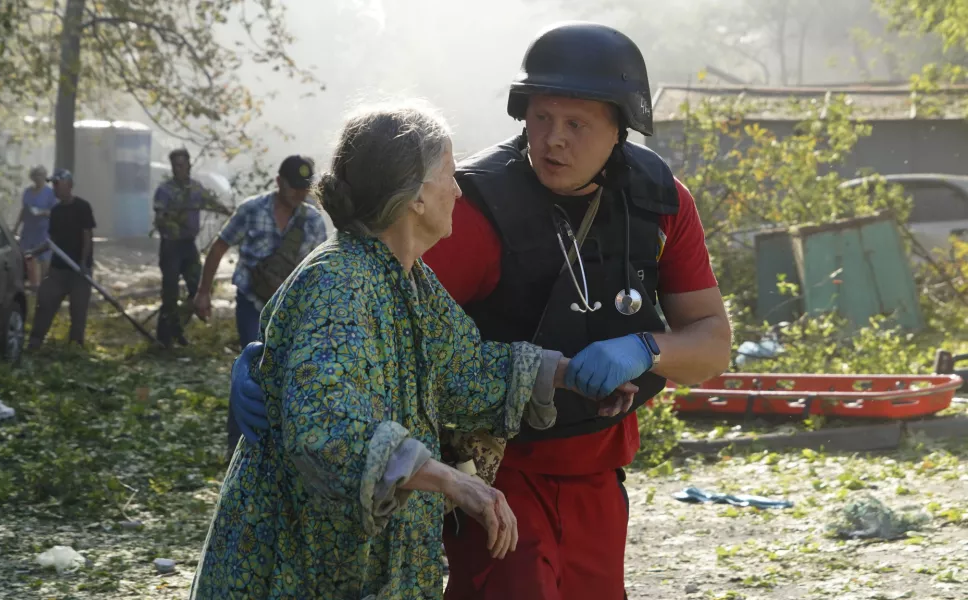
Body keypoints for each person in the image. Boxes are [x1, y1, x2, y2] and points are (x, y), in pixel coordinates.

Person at [229, 22, 733, 599]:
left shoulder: (661, 202)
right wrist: (273, 364)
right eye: (542, 118)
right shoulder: (470, 211)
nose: (554, 139)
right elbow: (361, 318)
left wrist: (638, 350)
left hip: (598, 475)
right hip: (496, 475)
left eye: (576, 124)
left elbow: (464, 361)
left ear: (621, 128)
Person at [189, 102, 630, 600]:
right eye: (449, 173)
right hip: (295, 560)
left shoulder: (407, 278)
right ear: (417, 195)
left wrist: (571, 374)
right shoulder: (341, 283)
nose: (460, 190)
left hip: (352, 559)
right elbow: (327, 429)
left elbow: (465, 370)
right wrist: (450, 481)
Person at [193, 154, 327, 460]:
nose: (299, 193)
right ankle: (237, 444)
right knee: (251, 367)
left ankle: (281, 443)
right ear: (278, 182)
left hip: (290, 310)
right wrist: (203, 292)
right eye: (293, 187)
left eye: (304, 188)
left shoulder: (313, 221)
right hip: (252, 304)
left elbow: (320, 269)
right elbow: (219, 246)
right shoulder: (252, 209)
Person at [152, 148, 231, 348]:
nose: (179, 169)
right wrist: (174, 220)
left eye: (182, 165)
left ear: (188, 166)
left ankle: (178, 327)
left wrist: (230, 212)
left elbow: (212, 203)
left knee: (197, 288)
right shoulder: (165, 190)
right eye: (175, 166)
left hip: (188, 246)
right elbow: (160, 219)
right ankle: (164, 338)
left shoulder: (196, 189)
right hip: (171, 246)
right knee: (169, 292)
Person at [26, 169, 97, 349]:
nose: (55, 188)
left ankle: (75, 347)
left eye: (58, 183)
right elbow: (53, 241)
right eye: (53, 184)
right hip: (58, 269)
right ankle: (34, 343)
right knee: (45, 301)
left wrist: (83, 263)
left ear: (69, 185)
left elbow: (87, 236)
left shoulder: (82, 207)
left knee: (78, 311)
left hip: (79, 270)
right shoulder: (56, 211)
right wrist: (34, 252)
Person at [13, 165, 57, 289]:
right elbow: (24, 210)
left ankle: (46, 285)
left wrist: (43, 212)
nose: (38, 178)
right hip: (29, 230)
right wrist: (16, 227)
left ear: (44, 177)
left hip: (43, 230)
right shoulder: (27, 192)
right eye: (36, 175)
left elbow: (55, 212)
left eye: (41, 176)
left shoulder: (50, 193)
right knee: (28, 257)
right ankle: (34, 285)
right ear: (32, 177)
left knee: (44, 258)